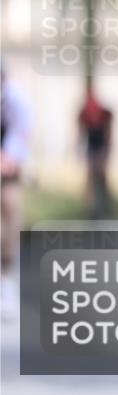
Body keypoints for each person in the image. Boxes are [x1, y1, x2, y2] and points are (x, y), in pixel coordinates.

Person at [1, 62, 33, 321]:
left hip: (8, 156)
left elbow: (23, 133)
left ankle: (8, 275)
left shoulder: (16, 99)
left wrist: (8, 157)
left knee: (10, 204)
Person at [78, 84, 114, 219]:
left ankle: (106, 202)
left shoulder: (105, 113)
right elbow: (80, 132)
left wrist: (105, 153)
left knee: (102, 173)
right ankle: (90, 208)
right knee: (90, 176)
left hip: (102, 145)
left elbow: (109, 133)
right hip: (91, 145)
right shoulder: (83, 113)